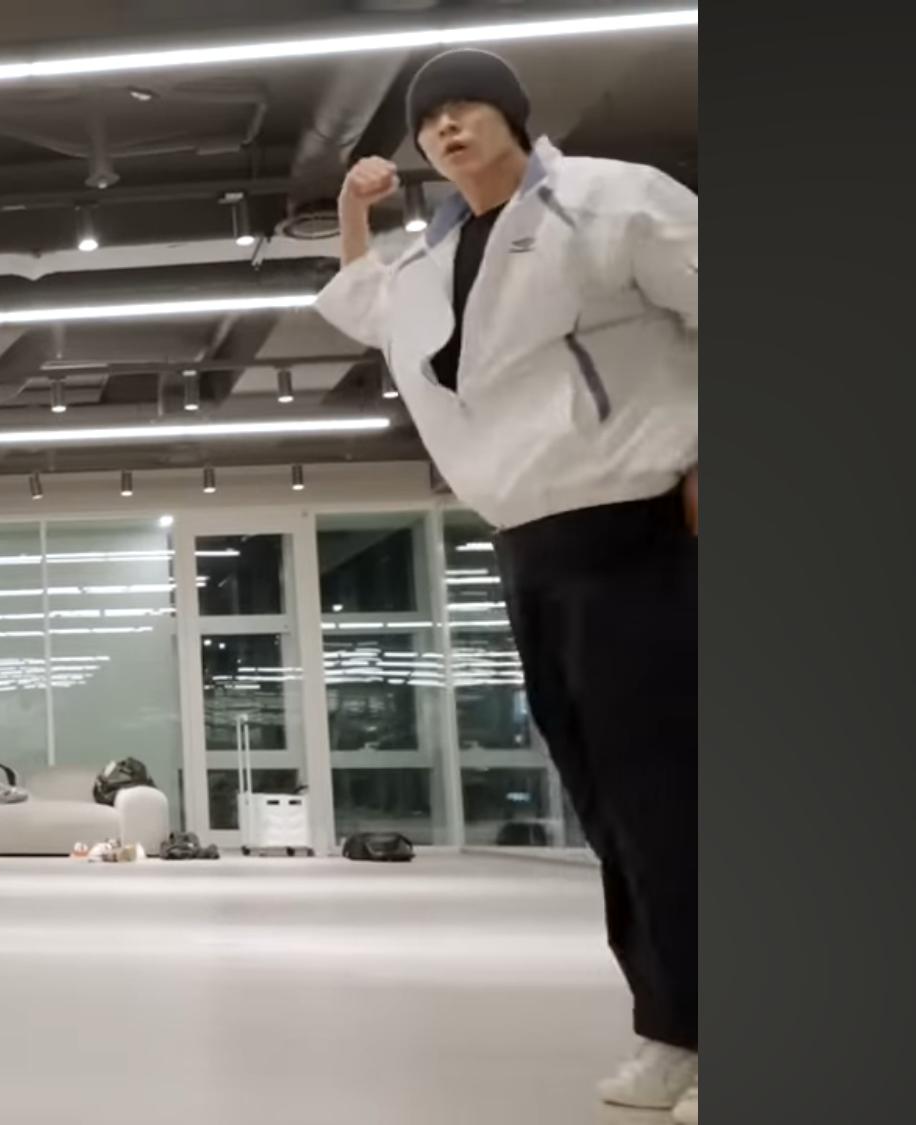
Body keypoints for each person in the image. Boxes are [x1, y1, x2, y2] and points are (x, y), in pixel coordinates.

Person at [314, 49, 698, 1125]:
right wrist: (352, 211)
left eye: (465, 108)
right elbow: (366, 305)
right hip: (534, 542)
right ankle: (673, 1026)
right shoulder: (433, 260)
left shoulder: (608, 199)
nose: (446, 129)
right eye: (428, 120)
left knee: (681, 792)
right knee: (612, 807)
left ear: (515, 116)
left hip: (645, 523)